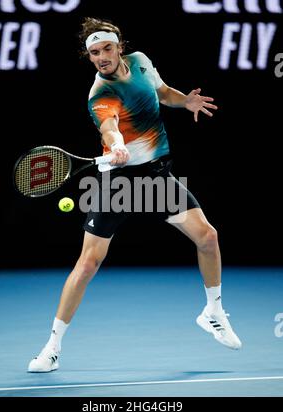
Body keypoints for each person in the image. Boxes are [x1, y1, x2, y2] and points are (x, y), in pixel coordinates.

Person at [28, 17, 241, 373]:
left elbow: (161, 91)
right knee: (87, 265)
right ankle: (51, 348)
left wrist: (184, 101)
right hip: (119, 184)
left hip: (156, 176)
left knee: (208, 237)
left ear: (119, 46)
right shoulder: (100, 94)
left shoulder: (141, 61)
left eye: (106, 49)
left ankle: (213, 312)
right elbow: (110, 128)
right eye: (94, 53)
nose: (101, 57)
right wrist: (118, 145)